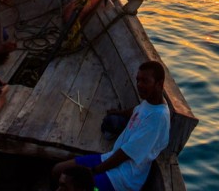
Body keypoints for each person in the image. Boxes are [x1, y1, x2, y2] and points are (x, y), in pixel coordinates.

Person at [52, 61, 170, 191]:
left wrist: (94, 171)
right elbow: (136, 110)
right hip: (109, 159)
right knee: (58, 170)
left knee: (75, 186)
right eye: (138, 80)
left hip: (124, 177)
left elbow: (125, 154)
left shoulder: (158, 118)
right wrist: (118, 113)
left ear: (159, 84)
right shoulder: (149, 102)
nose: (139, 85)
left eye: (145, 81)